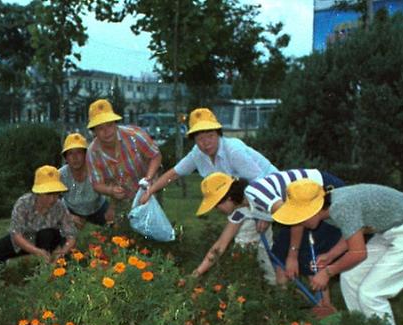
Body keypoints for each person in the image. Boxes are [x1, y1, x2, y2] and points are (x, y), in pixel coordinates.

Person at [272, 180, 403, 325]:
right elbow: (353, 232)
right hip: (389, 232)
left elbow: (358, 253)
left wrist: (328, 272)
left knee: (371, 292)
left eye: (301, 216)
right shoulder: (332, 208)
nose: (300, 222)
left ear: (314, 209)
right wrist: (331, 256)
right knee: (350, 278)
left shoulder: (341, 207)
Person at [140, 107, 276, 204]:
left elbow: (259, 181)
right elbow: (174, 174)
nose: (206, 143)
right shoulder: (197, 153)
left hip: (272, 191)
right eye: (200, 139)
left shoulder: (234, 151)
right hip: (245, 198)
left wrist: (262, 211)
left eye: (210, 136)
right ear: (194, 140)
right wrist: (150, 191)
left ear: (218, 134)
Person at [192, 173, 276, 284]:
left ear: (229, 198)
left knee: (270, 270)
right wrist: (197, 273)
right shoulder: (238, 212)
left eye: (216, 205)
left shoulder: (257, 196)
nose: (216, 209)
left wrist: (268, 216)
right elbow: (221, 244)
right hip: (257, 251)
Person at [0, 165, 77, 263]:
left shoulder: (60, 206)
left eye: (56, 194)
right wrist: (36, 251)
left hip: (48, 240)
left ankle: (46, 265)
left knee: (47, 234)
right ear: (38, 192)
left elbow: (71, 235)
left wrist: (62, 252)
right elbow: (16, 235)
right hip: (24, 240)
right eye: (48, 194)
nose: (52, 199)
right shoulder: (23, 203)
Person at [86, 99, 162, 209]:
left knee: (153, 223)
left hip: (150, 188)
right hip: (122, 198)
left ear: (115, 124)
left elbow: (156, 156)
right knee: (125, 224)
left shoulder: (135, 135)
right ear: (94, 131)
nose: (107, 131)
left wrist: (148, 179)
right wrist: (110, 191)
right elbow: (97, 184)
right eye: (100, 128)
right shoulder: (92, 153)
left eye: (109, 125)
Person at [58, 132, 111, 228]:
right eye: (70, 153)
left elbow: (115, 187)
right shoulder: (60, 175)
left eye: (79, 152)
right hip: (71, 210)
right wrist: (67, 216)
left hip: (98, 208)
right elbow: (51, 200)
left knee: (114, 228)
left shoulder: (97, 170)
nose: (75, 157)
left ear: (86, 155)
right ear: (66, 158)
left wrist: (112, 208)